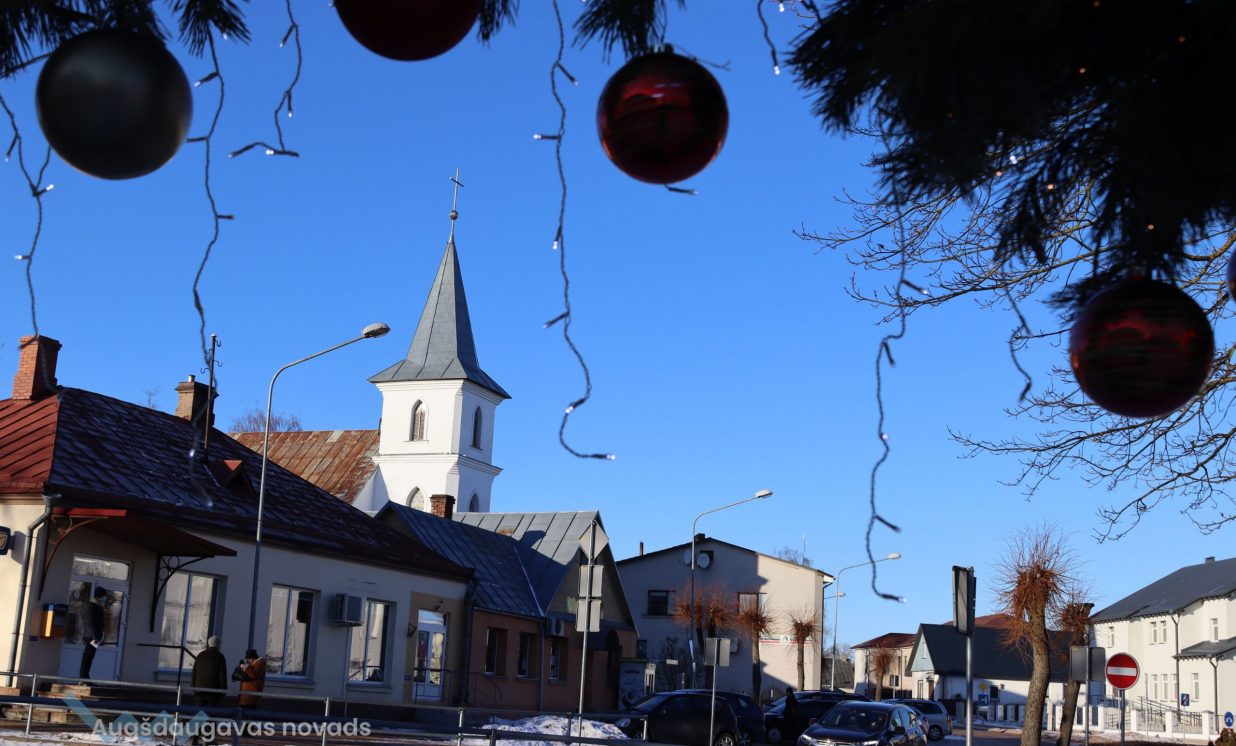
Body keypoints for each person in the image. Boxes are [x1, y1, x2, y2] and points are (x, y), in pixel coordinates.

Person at [78, 587, 107, 681]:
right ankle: (83, 678)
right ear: (99, 596)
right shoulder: (92, 606)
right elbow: (91, 622)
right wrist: (95, 636)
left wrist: (100, 635)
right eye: (103, 596)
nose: (105, 598)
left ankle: (86, 677)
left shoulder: (99, 607)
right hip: (91, 637)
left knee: (90, 657)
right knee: (88, 656)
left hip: (95, 637)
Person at [191, 636, 227, 708]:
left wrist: (193, 687)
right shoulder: (219, 657)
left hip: (199, 691)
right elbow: (222, 675)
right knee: (210, 712)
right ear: (218, 645)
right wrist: (223, 691)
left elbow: (194, 672)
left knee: (200, 713)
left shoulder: (200, 655)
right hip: (213, 691)